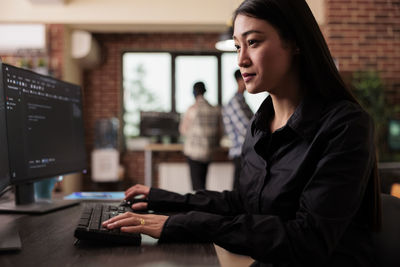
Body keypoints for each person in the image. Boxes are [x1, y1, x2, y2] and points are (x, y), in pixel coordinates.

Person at [103, 0, 381, 266]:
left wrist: (183, 224)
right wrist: (163, 199)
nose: (241, 60)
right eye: (237, 47)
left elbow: (308, 239)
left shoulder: (345, 125)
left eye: (253, 42)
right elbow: (243, 202)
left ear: (295, 42)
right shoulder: (260, 125)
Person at [178, 81, 221, 190]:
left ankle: (198, 206)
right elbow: (220, 131)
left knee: (196, 187)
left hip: (194, 153)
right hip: (208, 152)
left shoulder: (192, 109)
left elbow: (183, 130)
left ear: (194, 92)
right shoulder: (215, 109)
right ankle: (203, 205)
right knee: (203, 184)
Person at [222, 69, 254, 190]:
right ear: (239, 81)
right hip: (241, 153)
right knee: (239, 192)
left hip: (245, 152)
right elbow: (247, 129)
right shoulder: (235, 102)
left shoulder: (242, 101)